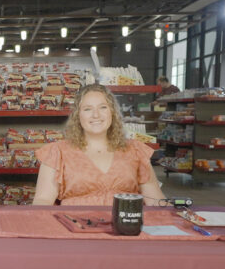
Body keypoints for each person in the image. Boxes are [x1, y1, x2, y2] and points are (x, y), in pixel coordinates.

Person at [33, 84, 166, 206]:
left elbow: (156, 201)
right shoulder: (58, 152)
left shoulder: (135, 150)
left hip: (126, 230)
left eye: (103, 107)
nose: (96, 115)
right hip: (75, 228)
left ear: (112, 112)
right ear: (78, 115)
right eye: (87, 109)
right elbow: (42, 201)